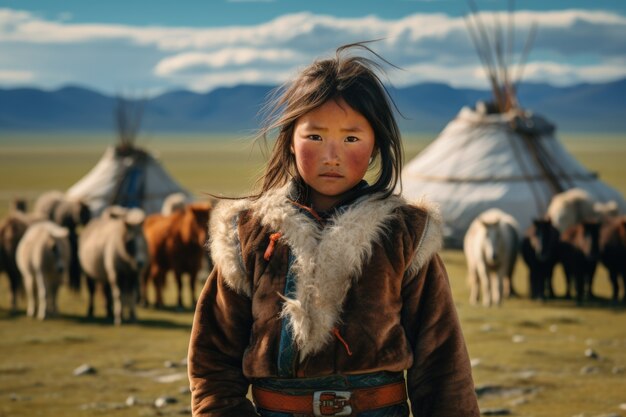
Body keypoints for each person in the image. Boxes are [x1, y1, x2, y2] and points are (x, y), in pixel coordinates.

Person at [188, 42, 480, 417]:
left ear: (375, 146)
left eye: (351, 138)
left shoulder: (405, 235)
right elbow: (213, 359)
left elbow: (442, 362)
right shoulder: (249, 232)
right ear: (290, 141)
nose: (332, 155)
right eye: (315, 136)